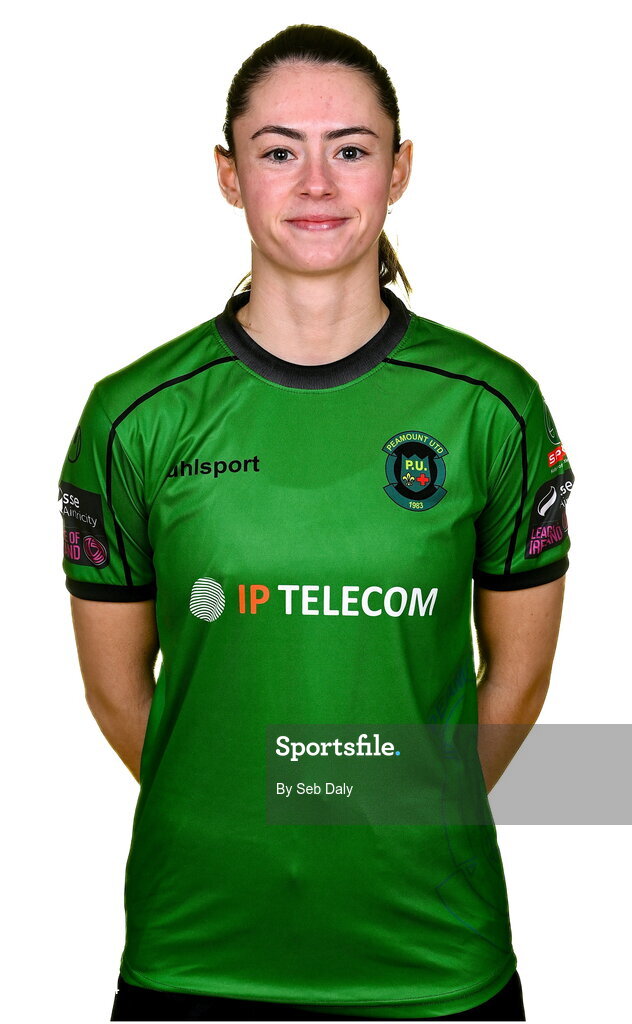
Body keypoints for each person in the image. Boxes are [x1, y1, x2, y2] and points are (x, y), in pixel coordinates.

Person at [57, 23, 574, 1022]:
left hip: (431, 959)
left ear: (399, 168)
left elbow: (516, 676)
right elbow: (120, 694)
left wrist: (393, 815)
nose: (316, 184)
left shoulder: (490, 406)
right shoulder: (133, 416)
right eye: (277, 150)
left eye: (350, 148)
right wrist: (252, 808)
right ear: (226, 173)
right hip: (196, 953)